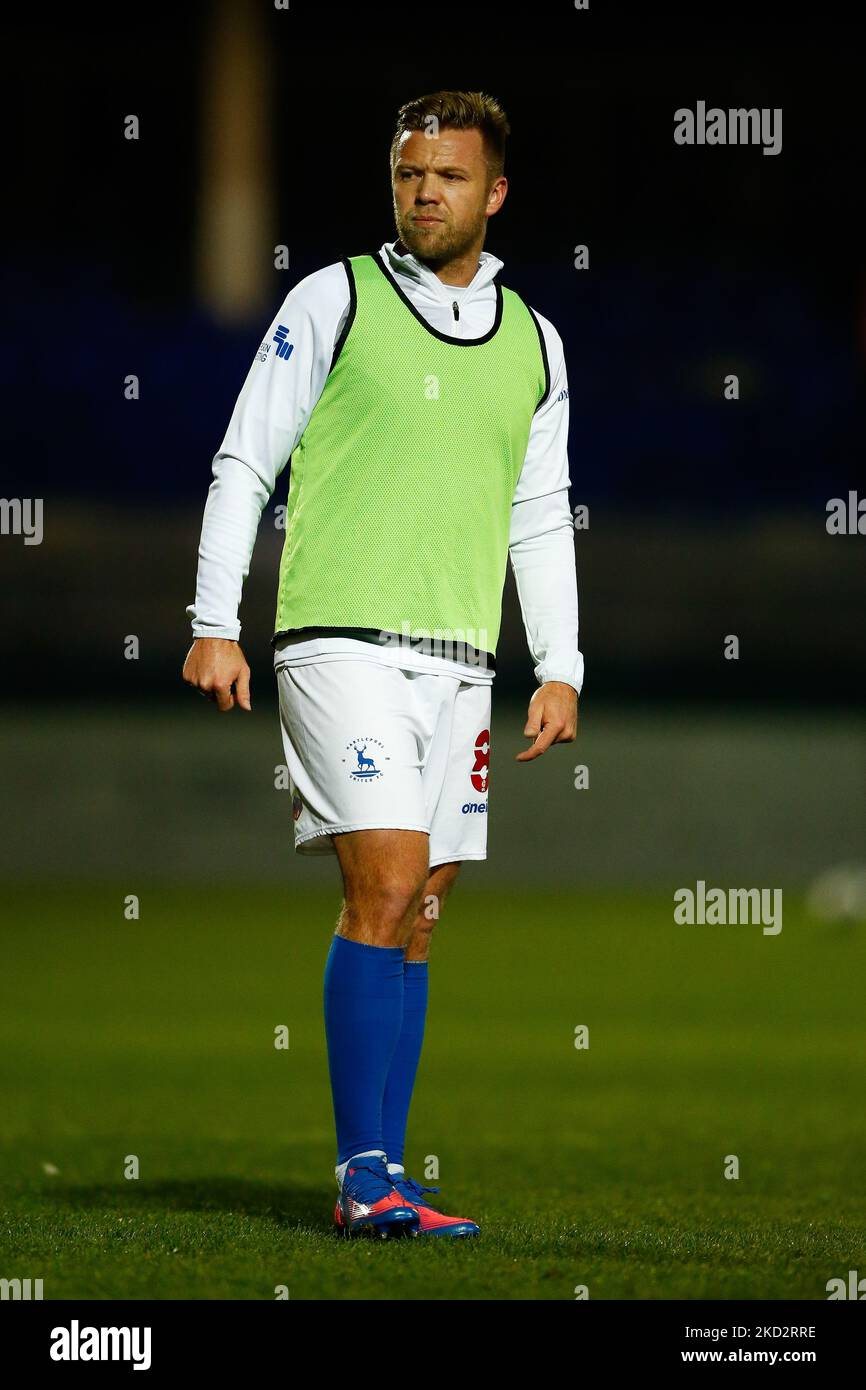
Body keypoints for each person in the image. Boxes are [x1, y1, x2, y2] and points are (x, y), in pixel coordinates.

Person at [183, 90, 583, 1239]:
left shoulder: (535, 340)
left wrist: (557, 661)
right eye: (409, 174)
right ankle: (362, 1180)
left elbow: (540, 511)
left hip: (461, 659)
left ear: (493, 192)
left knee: (422, 912)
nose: (423, 193)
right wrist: (216, 617)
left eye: (448, 177)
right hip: (337, 639)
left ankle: (387, 1174)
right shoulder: (333, 298)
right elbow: (242, 460)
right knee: (389, 881)